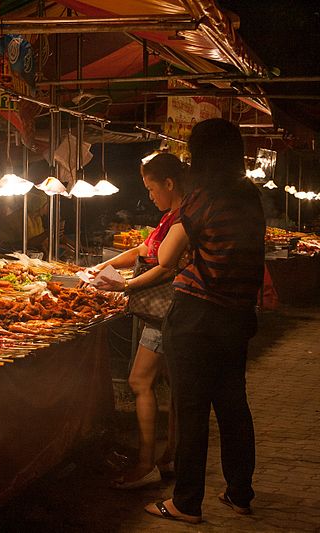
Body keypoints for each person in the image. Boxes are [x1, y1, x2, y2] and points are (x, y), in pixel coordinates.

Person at [144, 118, 264, 524]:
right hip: (237, 316)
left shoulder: (201, 196)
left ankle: (186, 502)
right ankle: (240, 492)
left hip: (197, 317)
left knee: (191, 409)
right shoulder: (249, 195)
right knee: (233, 405)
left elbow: (166, 258)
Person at [85, 153, 184, 489]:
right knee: (175, 389)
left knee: (139, 381)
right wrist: (101, 267)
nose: (150, 195)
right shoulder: (170, 217)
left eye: (152, 188)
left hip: (165, 313)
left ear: (169, 183)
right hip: (165, 314)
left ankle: (146, 463)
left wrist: (125, 285)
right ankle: (170, 457)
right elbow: (143, 250)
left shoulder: (183, 219)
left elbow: (166, 266)